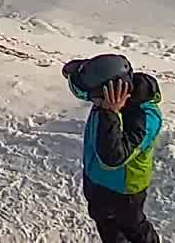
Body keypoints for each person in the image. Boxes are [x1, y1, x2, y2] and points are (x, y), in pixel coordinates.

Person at [66, 54, 163, 243]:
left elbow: (113, 157)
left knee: (134, 230)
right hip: (97, 181)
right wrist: (79, 69)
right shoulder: (109, 94)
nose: (94, 104)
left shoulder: (144, 118)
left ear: (112, 93)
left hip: (123, 191)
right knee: (106, 225)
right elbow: (89, 75)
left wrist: (110, 113)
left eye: (96, 99)